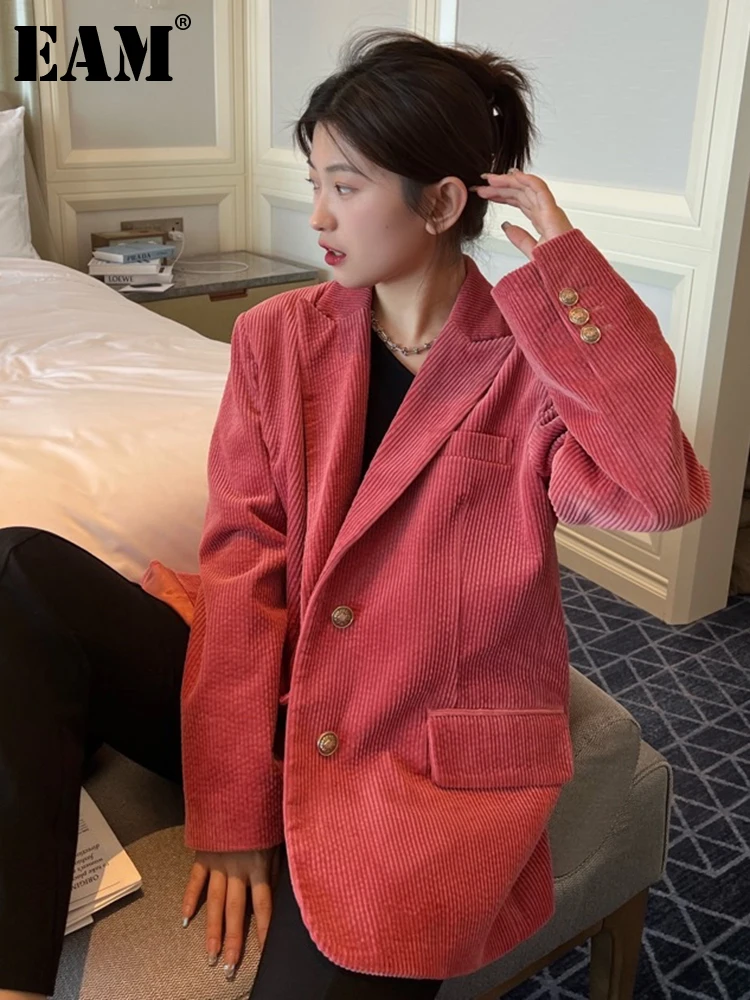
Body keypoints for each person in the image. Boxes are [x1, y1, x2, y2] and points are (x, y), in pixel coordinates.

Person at [0, 27, 712, 1000]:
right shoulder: (276, 338)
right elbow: (243, 564)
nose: (317, 214)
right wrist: (231, 813)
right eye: (315, 181)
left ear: (441, 204)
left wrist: (569, 274)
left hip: (412, 759)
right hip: (275, 699)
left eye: (345, 185)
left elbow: (657, 490)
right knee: (18, 567)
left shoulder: (530, 365)